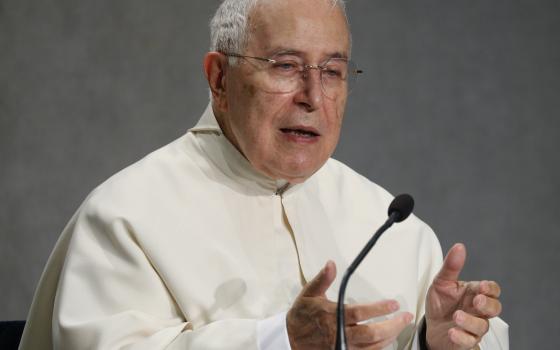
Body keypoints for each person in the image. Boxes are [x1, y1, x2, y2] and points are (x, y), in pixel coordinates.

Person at [19, 0, 509, 349]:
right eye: (285, 66)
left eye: (333, 71)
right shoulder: (126, 216)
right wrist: (280, 341)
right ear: (219, 79)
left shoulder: (389, 221)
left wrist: (437, 342)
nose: (313, 97)